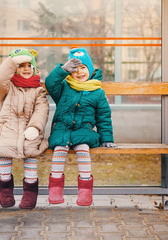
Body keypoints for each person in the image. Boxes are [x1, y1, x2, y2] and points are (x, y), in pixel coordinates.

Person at [45, 47, 116, 206]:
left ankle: (85, 190)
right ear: (70, 72)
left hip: (84, 132)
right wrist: (62, 69)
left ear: (90, 70)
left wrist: (106, 138)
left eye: (83, 68)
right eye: (75, 69)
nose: (79, 72)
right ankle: (55, 188)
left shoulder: (97, 92)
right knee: (59, 150)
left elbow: (103, 117)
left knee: (83, 149)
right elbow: (50, 83)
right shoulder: (63, 88)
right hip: (62, 130)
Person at [0, 48, 49, 209]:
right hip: (8, 129)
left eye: (28, 65)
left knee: (30, 151)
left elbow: (41, 110)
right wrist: (11, 61)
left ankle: (30, 191)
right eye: (20, 65)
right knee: (4, 150)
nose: (25, 68)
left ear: (34, 68)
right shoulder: (8, 87)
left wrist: (35, 128)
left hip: (29, 131)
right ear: (14, 68)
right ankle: (5, 190)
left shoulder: (38, 90)